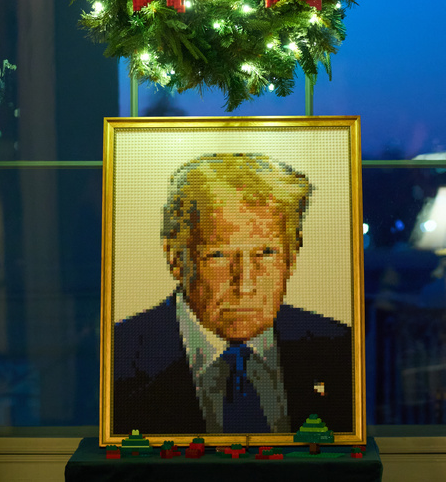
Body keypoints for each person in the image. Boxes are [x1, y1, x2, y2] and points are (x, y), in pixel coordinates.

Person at [112, 153, 353, 435]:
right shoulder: (119, 355)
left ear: (292, 256)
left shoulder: (337, 348)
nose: (246, 283)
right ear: (176, 258)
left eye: (266, 253)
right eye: (219, 255)